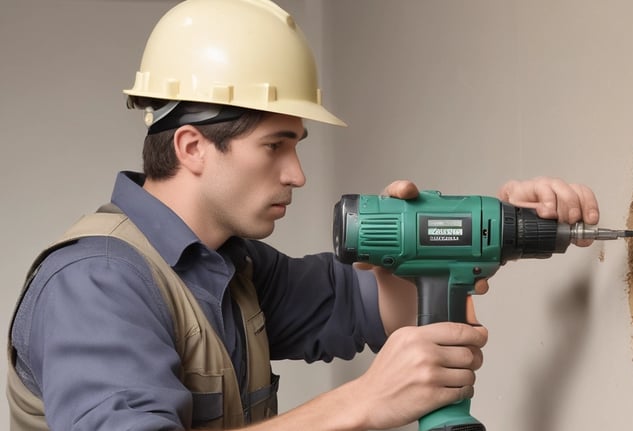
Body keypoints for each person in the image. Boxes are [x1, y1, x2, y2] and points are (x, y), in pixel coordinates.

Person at [6, 1, 600, 430]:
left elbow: (367, 305)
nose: (297, 174)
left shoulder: (230, 269)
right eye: (274, 146)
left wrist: (498, 230)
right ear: (191, 148)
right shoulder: (97, 283)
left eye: (298, 146)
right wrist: (363, 402)